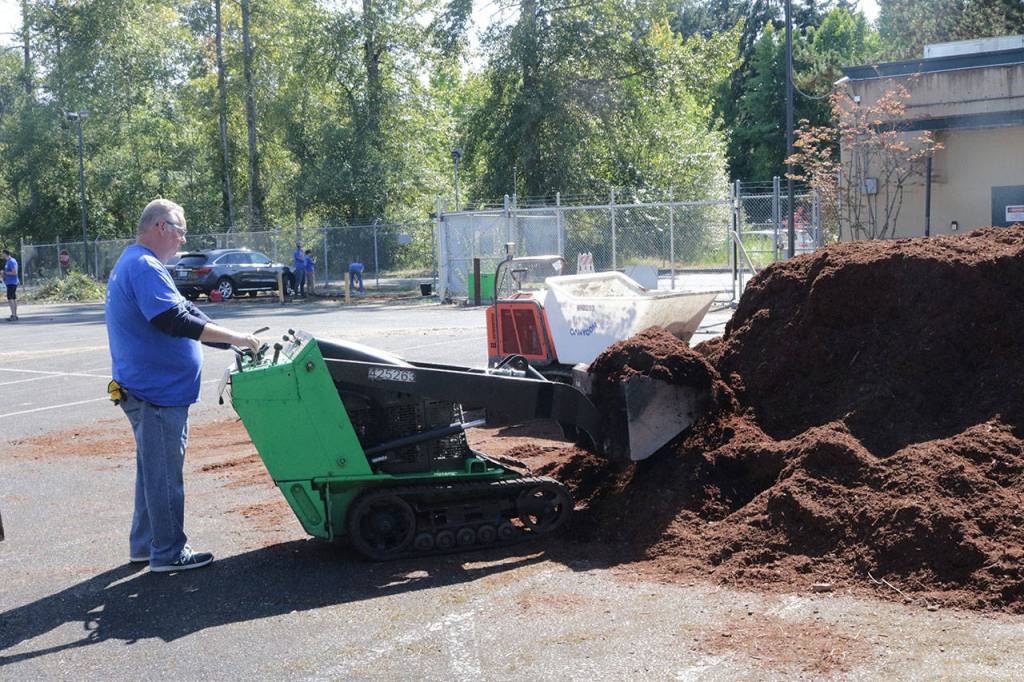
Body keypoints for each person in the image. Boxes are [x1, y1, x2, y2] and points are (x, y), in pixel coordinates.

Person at [106, 199, 261, 573]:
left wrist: (229, 339)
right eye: (180, 230)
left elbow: (188, 313)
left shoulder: (141, 263)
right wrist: (237, 339)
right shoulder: (143, 266)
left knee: (152, 473)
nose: (182, 239)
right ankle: (169, 551)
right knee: (163, 478)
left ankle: (146, 545)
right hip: (155, 394)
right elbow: (174, 320)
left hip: (148, 390)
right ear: (161, 227)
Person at [2, 249, 18, 321]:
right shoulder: (8, 261)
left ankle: (14, 315)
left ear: (6, 254)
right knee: (13, 298)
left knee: (10, 298)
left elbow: (14, 273)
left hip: (12, 282)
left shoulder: (12, 261)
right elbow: (7, 272)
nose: (2, 255)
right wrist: (3, 274)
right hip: (9, 283)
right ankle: (14, 315)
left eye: (3, 254)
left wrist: (5, 273)